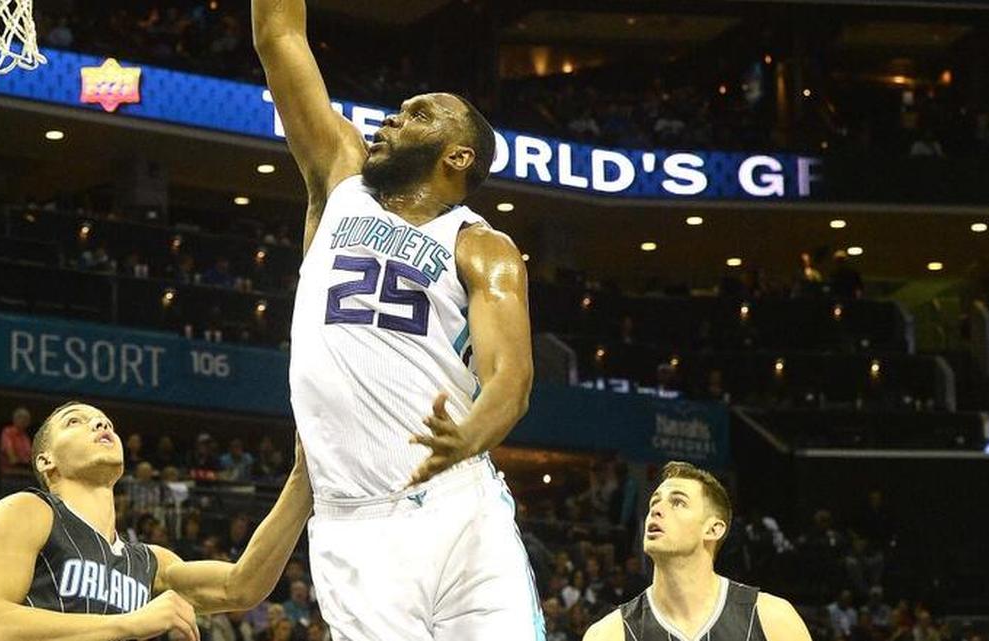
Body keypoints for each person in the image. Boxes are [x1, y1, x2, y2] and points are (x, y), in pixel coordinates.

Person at [253, 0, 539, 638]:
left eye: (417, 114)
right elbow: (278, 34)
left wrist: (470, 438)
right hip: (354, 522)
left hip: (459, 504)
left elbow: (510, 379)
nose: (390, 118)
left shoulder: (482, 247)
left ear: (458, 156)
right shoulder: (340, 179)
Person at [0, 401, 312, 641]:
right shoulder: (27, 511)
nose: (100, 423)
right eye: (74, 422)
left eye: (104, 421)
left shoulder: (149, 561)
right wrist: (129, 624)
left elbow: (241, 587)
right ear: (45, 460)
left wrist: (303, 480)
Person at [583, 462, 811, 641]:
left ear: (713, 529)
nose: (657, 510)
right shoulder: (608, 635)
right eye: (655, 502)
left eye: (678, 502)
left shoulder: (772, 619)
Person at [0, 407, 34, 476]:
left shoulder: (25, 437)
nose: (25, 421)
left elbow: (30, 457)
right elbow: (12, 458)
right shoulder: (8, 432)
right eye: (23, 418)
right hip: (10, 474)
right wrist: (25, 460)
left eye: (27, 419)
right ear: (15, 419)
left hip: (25, 474)